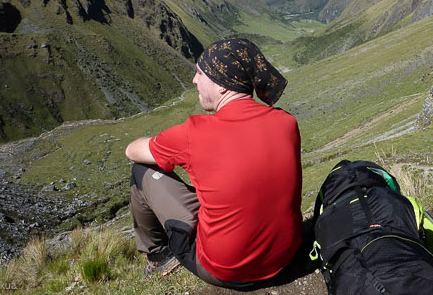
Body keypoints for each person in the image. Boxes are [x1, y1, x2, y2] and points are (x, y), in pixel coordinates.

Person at [125, 38, 303, 289]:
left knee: (140, 170)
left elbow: (132, 151)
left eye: (200, 73)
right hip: (284, 260)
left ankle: (158, 256)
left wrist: (159, 142)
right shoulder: (287, 122)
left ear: (222, 85)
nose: (194, 80)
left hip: (224, 270)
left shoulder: (194, 132)